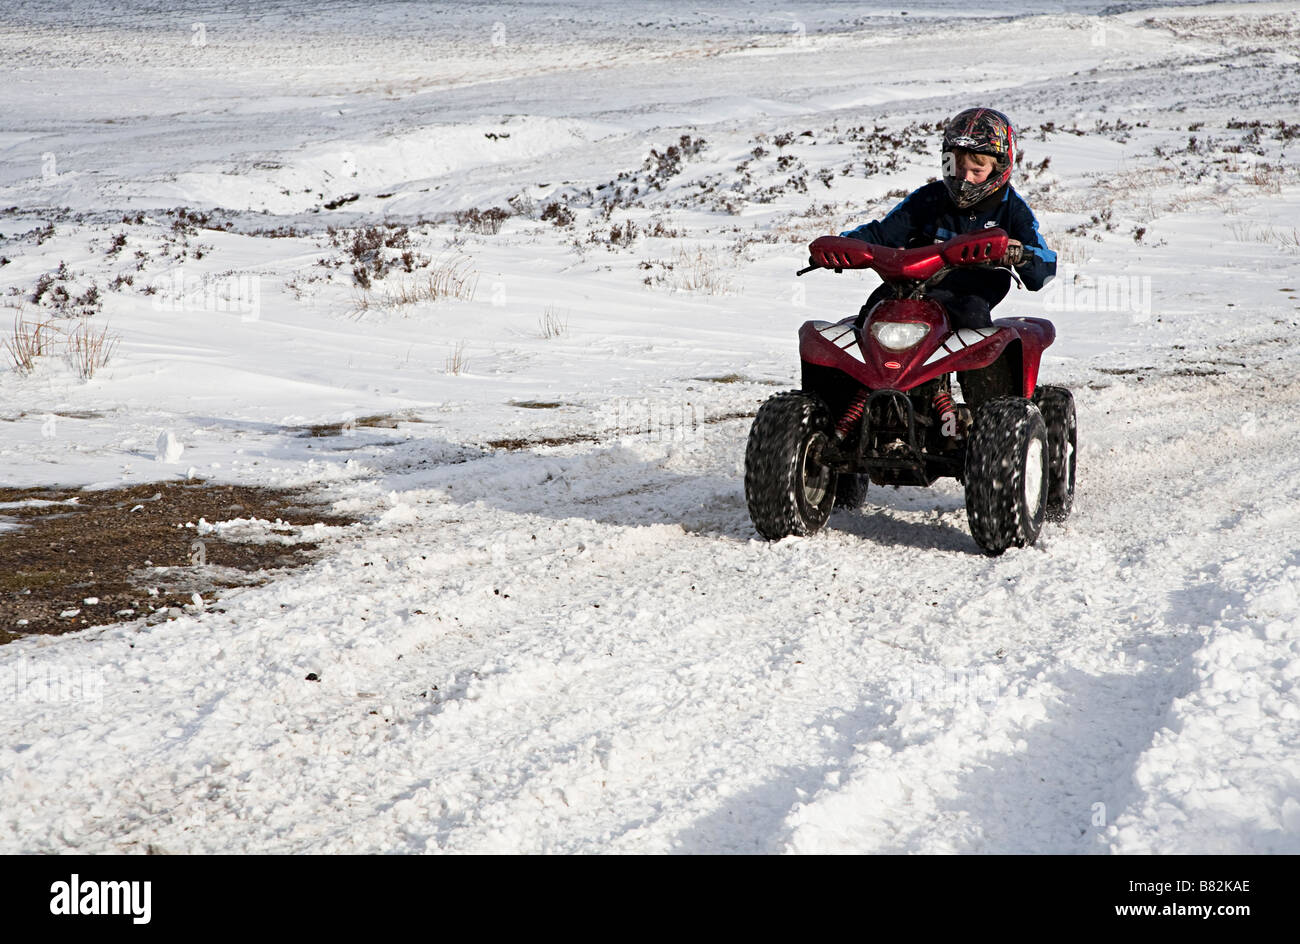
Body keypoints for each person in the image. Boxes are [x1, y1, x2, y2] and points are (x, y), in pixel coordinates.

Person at [840, 107, 1056, 330]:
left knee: (972, 321)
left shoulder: (1012, 209)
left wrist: (1021, 254)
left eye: (976, 171)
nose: (965, 179)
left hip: (970, 294)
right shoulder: (929, 198)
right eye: (958, 168)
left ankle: (985, 366)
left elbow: (1045, 271)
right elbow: (882, 234)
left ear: (999, 167)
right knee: (871, 315)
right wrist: (843, 246)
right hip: (910, 286)